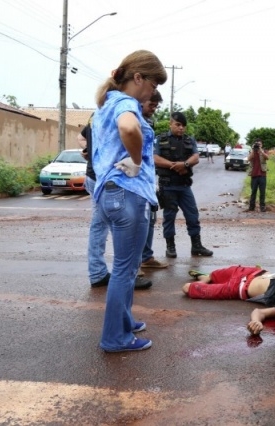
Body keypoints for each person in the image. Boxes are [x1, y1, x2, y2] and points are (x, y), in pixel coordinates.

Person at [90, 49, 167, 352]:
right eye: (153, 84)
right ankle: (115, 338)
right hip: (129, 193)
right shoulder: (125, 103)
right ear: (138, 78)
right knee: (125, 269)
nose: (153, 91)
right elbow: (128, 128)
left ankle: (124, 322)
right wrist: (136, 159)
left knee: (126, 266)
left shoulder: (107, 103)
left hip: (111, 193)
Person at [78, 118, 153, 291]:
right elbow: (127, 133)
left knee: (100, 225)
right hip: (107, 179)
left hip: (96, 176)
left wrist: (88, 150)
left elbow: (80, 137)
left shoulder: (97, 115)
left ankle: (100, 272)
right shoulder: (121, 113)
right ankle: (125, 275)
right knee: (119, 225)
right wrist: (137, 161)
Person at [154, 111, 213, 258]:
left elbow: (195, 157)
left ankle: (196, 246)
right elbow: (155, 158)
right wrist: (174, 165)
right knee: (169, 217)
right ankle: (170, 247)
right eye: (178, 125)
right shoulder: (160, 139)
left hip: (184, 186)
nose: (181, 128)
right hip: (167, 186)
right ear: (171, 123)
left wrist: (184, 164)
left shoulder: (189, 140)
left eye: (183, 126)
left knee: (192, 215)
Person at [181, 267, 275, 335]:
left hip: (237, 287)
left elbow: (259, 312)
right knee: (213, 275)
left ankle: (203, 280)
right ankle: (205, 278)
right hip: (254, 272)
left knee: (187, 288)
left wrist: (256, 321)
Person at [139, 91, 168, 271]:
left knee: (150, 220)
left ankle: (146, 257)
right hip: (136, 181)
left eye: (156, 106)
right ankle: (133, 267)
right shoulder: (130, 118)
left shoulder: (149, 122)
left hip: (149, 180)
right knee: (136, 224)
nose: (154, 109)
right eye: (152, 105)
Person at [247, 139, 268, 212]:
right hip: (254, 174)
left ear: (262, 145)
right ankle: (251, 206)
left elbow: (267, 158)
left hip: (262, 174)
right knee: (253, 192)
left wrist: (261, 151)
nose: (258, 146)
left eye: (260, 144)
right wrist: (253, 149)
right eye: (257, 144)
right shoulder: (252, 152)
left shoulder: (264, 151)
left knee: (262, 192)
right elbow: (248, 159)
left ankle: (262, 206)